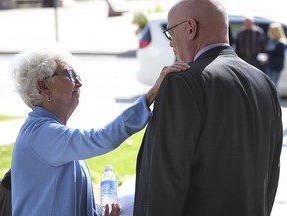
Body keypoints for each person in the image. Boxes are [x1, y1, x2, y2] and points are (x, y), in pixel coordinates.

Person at [134, 0, 283, 216]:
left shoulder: (182, 82)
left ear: (190, 28)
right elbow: (271, 174)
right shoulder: (264, 82)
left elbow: (166, 181)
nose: (171, 43)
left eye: (170, 34)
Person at [10, 46, 190, 216]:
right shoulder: (40, 134)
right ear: (43, 87)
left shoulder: (46, 132)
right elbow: (103, 138)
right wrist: (151, 95)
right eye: (70, 75)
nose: (79, 83)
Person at [265, 22, 287, 87]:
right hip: (269, 65)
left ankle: (274, 97)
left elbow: (280, 55)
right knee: (268, 84)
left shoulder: (281, 42)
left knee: (274, 84)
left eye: (273, 31)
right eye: (271, 30)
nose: (271, 32)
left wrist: (269, 58)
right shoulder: (270, 41)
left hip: (276, 67)